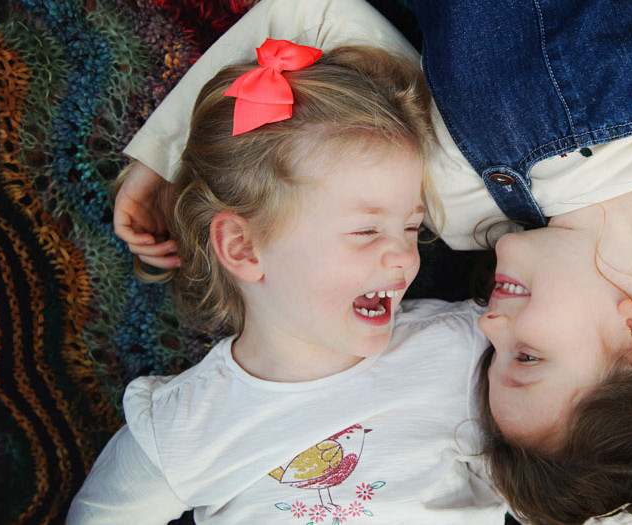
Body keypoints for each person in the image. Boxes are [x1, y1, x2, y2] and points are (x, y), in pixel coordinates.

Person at [109, 0, 632, 523]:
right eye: (524, 353)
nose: (486, 320)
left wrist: (167, 156)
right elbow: (604, 493)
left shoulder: (458, 203)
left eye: (488, 353)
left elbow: (311, 14)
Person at [68, 42, 508, 524]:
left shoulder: (466, 352)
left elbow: (574, 486)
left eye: (412, 228)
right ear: (243, 247)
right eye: (365, 231)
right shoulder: (181, 429)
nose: (404, 255)